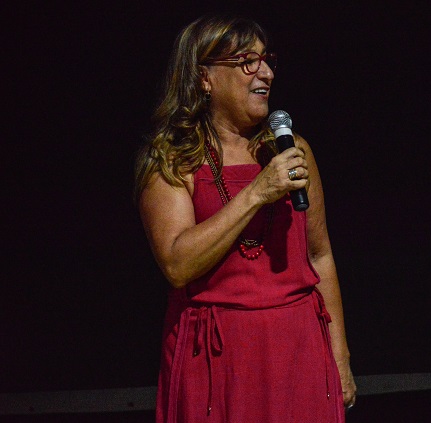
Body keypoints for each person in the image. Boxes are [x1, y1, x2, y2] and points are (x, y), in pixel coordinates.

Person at [134, 14, 356, 422]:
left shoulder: (290, 150)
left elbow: (320, 255)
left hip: (298, 346)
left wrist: (339, 355)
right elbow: (177, 263)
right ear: (204, 78)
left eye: (266, 60)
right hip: (218, 356)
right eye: (246, 62)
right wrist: (256, 193)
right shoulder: (172, 159)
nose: (266, 73)